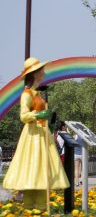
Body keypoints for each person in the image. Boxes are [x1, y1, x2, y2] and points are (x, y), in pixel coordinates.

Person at [2, 57, 69, 209]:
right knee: (34, 165)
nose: (44, 72)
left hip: (42, 133)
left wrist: (49, 122)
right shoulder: (27, 94)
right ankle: (31, 204)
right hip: (33, 135)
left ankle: (39, 205)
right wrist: (38, 115)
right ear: (34, 73)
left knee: (42, 168)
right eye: (41, 70)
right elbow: (23, 116)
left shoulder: (37, 93)